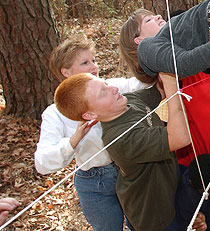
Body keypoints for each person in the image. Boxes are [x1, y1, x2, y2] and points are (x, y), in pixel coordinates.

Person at [35, 36, 149, 231]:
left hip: (128, 172)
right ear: (66, 72)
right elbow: (42, 163)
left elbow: (138, 85)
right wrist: (73, 141)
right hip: (94, 183)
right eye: (85, 63)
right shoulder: (55, 113)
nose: (94, 67)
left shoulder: (108, 87)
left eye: (94, 60)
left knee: (141, 226)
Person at [53, 72, 191, 231]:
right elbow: (180, 137)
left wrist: (166, 68)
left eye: (105, 84)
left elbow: (160, 90)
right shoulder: (120, 137)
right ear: (90, 115)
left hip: (169, 190)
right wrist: (171, 85)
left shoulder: (128, 101)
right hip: (154, 214)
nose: (112, 88)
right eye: (103, 92)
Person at [119, 9, 210, 164]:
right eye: (148, 20)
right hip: (190, 163)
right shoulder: (161, 80)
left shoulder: (208, 60)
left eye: (156, 15)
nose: (158, 16)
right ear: (140, 41)